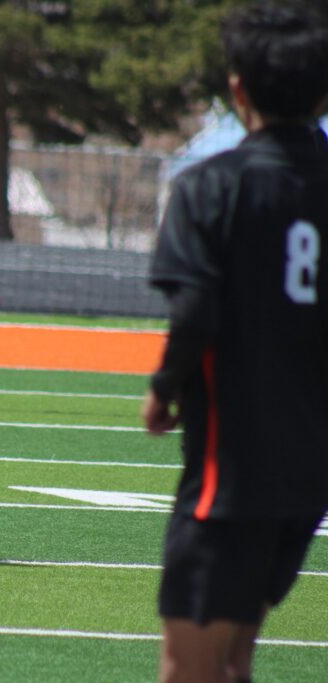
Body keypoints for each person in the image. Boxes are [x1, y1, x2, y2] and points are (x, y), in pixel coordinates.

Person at [142, 3, 328, 681]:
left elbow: (194, 310)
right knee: (232, 661)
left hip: (232, 473)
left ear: (238, 89)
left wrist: (163, 390)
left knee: (188, 668)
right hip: (310, 473)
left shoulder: (210, 187)